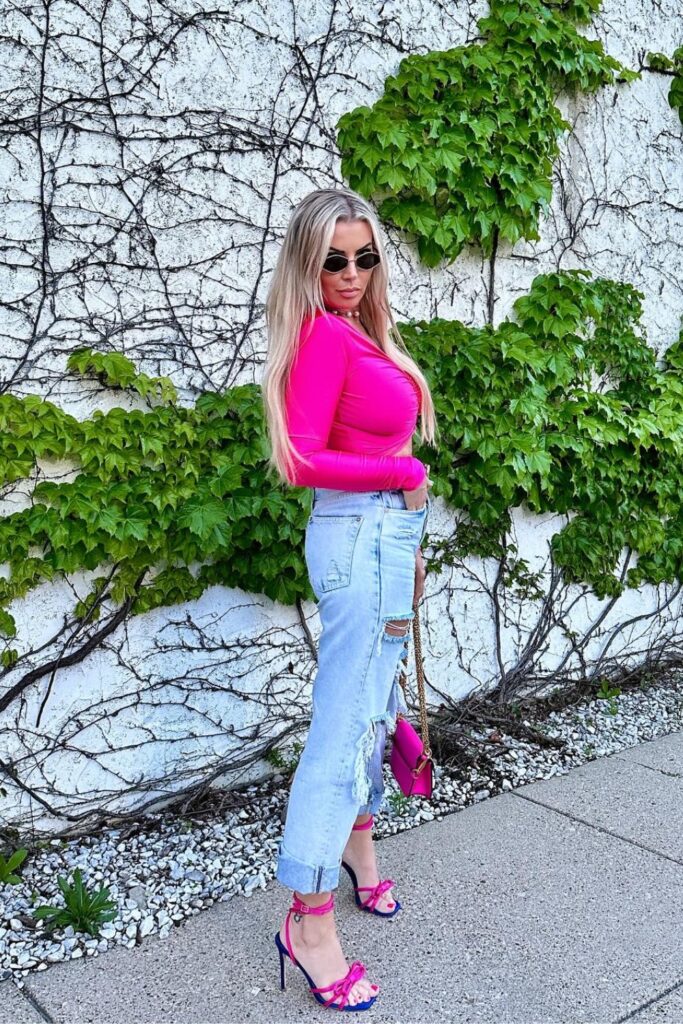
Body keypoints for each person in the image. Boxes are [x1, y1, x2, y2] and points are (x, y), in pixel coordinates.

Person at [261, 187, 437, 1011]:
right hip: (360, 536)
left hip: (384, 542)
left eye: (365, 256)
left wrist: (406, 536)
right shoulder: (322, 336)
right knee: (346, 724)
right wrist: (403, 478)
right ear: (307, 261)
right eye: (335, 258)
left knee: (380, 697)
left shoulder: (361, 333)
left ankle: (360, 852)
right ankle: (308, 921)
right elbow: (299, 459)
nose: (352, 272)